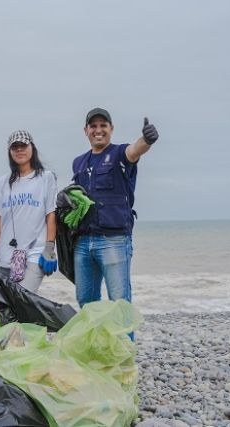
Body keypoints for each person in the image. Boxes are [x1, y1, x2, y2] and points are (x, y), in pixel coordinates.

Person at [68, 107, 159, 308]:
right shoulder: (78, 163)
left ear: (111, 129)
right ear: (86, 131)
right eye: (93, 126)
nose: (98, 130)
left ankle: (125, 341)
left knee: (120, 302)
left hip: (114, 240)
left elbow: (135, 150)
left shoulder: (119, 153)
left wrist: (147, 140)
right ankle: (96, 341)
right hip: (83, 243)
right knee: (86, 302)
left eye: (103, 125)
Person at [0, 130, 58, 292]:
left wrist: (49, 248)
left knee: (23, 298)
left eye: (23, 145)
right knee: (7, 307)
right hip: (6, 255)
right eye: (15, 147)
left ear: (32, 148)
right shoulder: (2, 183)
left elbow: (51, 215)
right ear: (10, 152)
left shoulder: (46, 178)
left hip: (35, 254)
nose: (19, 150)